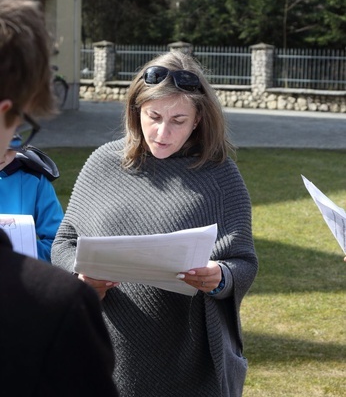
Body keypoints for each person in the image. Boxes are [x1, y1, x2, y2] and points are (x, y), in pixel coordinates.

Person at [52, 49, 259, 397]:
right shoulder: (103, 163)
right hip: (104, 353)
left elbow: (244, 262)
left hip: (190, 364)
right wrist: (81, 275)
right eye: (153, 116)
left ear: (198, 120)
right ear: (136, 111)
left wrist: (220, 277)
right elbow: (64, 242)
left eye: (178, 120)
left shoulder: (221, 174)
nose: (162, 132)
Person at [0, 0, 119, 396]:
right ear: (7, 112)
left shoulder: (32, 181)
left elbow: (58, 237)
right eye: (22, 123)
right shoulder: (56, 310)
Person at [0, 142, 64, 261]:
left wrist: (20, 254)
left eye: (9, 148)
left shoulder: (35, 180)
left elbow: (59, 243)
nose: (1, 156)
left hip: (17, 273)